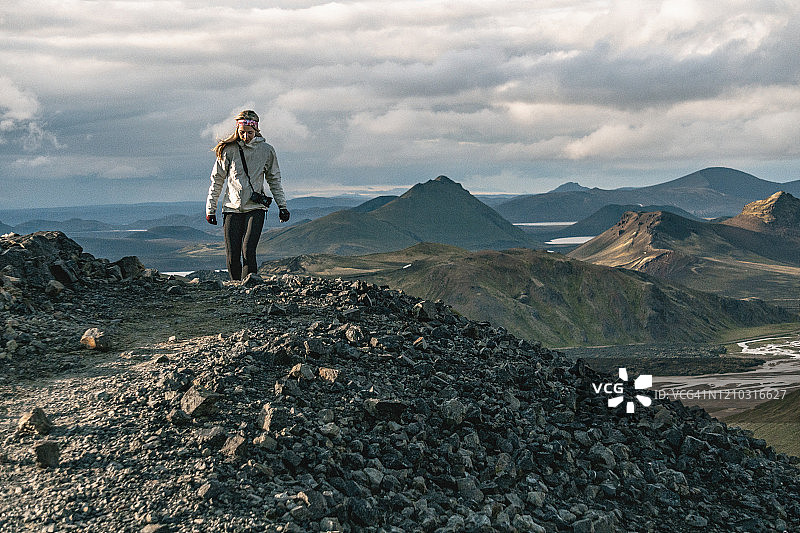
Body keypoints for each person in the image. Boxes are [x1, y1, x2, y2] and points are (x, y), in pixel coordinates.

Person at [205, 110, 290, 281]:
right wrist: (210, 209)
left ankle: (249, 288)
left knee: (248, 250)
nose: (245, 136)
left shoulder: (267, 150)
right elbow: (217, 180)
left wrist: (282, 206)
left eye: (250, 132)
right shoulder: (228, 150)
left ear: (256, 130)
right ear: (237, 130)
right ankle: (235, 288)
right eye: (242, 132)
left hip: (256, 207)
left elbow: (274, 179)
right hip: (232, 208)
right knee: (232, 254)